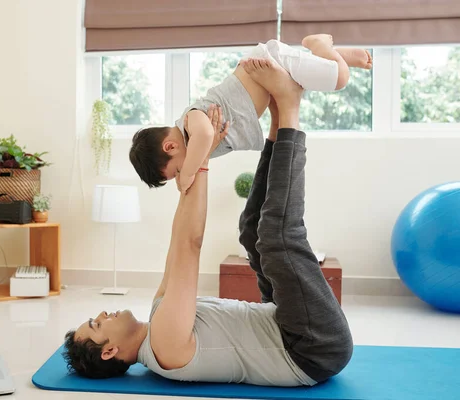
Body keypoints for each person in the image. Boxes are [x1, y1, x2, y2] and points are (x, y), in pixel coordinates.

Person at [62, 58, 353, 386]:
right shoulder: (165, 345)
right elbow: (191, 245)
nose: (103, 315)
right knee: (276, 236)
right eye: (97, 325)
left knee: (251, 229)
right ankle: (289, 108)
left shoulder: (159, 313)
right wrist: (199, 162)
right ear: (109, 352)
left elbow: (177, 240)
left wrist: (198, 156)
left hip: (286, 321)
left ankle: (276, 125)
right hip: (311, 347)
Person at [129, 33, 372, 193]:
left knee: (341, 79)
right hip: (272, 76)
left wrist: (188, 175)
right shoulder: (190, 140)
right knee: (314, 79)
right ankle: (336, 56)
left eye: (177, 170)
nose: (183, 173)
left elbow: (204, 134)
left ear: (170, 147)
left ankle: (320, 45)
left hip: (270, 61)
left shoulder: (190, 121)